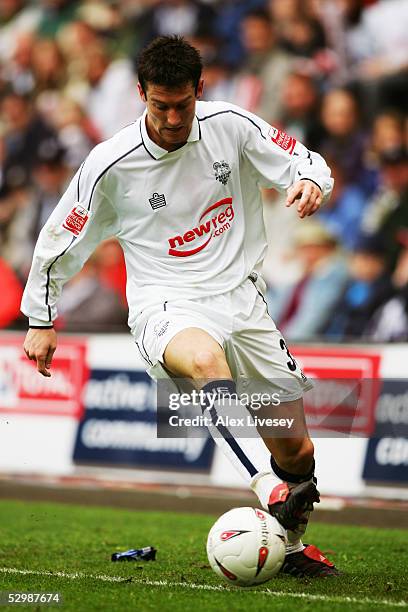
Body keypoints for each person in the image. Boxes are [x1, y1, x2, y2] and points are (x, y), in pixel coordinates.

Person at [21, 36, 338, 577]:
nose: (172, 118)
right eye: (159, 105)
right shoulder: (109, 165)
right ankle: (265, 487)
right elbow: (60, 240)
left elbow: (303, 161)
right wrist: (41, 318)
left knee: (297, 450)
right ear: (140, 93)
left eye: (183, 105)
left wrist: (312, 181)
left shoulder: (232, 125)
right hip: (164, 305)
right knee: (206, 362)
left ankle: (285, 542)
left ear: (200, 90)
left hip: (244, 301)